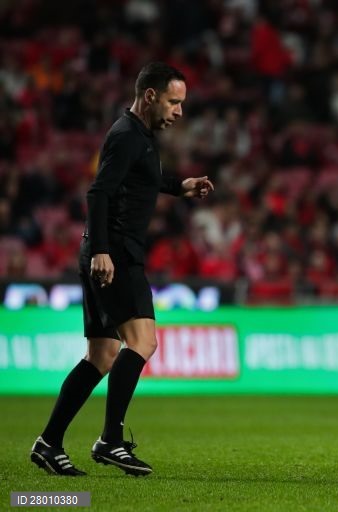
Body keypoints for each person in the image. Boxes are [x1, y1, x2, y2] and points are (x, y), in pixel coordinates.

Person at [30, 62, 214, 477]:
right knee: (143, 342)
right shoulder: (127, 136)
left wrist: (178, 186)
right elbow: (99, 195)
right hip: (115, 255)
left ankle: (48, 443)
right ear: (150, 95)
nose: (180, 111)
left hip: (105, 252)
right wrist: (102, 251)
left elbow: (141, 180)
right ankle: (110, 440)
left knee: (102, 354)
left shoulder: (139, 136)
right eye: (174, 101)